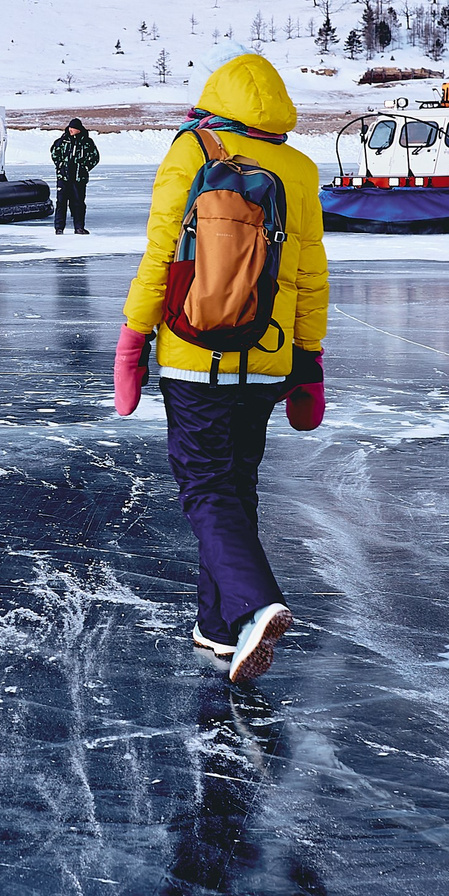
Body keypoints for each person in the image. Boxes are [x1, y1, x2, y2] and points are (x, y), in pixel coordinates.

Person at [112, 47, 328, 684]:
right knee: (235, 486)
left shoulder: (192, 152)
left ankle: (255, 603)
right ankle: (218, 624)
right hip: (266, 357)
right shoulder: (299, 167)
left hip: (192, 351)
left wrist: (133, 337)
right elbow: (311, 276)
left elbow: (161, 258)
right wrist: (308, 359)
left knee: (204, 484)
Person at [49, 117, 100, 234]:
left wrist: (85, 168)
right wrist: (60, 165)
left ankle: (79, 227)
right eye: (70, 127)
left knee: (78, 203)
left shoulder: (87, 142)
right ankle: (59, 228)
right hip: (63, 177)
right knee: (61, 202)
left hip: (78, 179)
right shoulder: (63, 141)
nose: (71, 130)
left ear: (79, 129)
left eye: (73, 128)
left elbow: (95, 157)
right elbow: (54, 152)